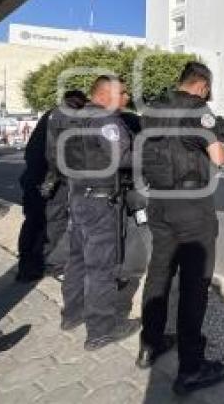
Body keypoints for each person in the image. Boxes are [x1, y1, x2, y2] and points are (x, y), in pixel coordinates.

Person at [137, 62, 224, 395]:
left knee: (159, 272)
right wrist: (223, 141)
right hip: (192, 207)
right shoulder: (198, 111)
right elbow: (219, 157)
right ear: (202, 86)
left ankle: (149, 345)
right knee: (194, 285)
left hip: (159, 203)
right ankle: (191, 368)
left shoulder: (151, 111)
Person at [48, 76, 138, 351]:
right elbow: (122, 158)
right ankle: (101, 329)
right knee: (101, 266)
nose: (126, 99)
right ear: (105, 94)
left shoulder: (72, 117)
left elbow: (55, 156)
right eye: (122, 93)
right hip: (100, 201)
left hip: (77, 195)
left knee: (77, 260)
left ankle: (71, 315)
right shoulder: (105, 120)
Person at [16, 90, 87, 282]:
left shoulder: (50, 114)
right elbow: (59, 155)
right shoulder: (68, 117)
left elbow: (32, 150)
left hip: (33, 176)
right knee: (54, 223)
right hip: (51, 182)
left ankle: (26, 266)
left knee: (32, 222)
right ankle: (48, 265)